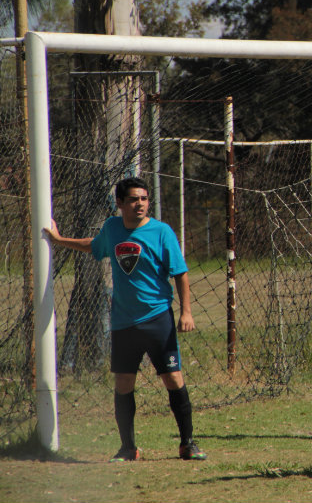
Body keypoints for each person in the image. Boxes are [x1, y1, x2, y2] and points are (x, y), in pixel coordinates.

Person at [43, 177, 207, 462]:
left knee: (173, 377)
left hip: (158, 318)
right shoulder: (112, 228)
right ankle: (127, 448)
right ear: (120, 203)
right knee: (123, 383)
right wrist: (59, 241)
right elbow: (94, 246)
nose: (140, 204)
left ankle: (188, 444)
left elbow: (180, 272)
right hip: (122, 323)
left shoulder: (162, 232)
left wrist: (187, 312)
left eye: (143, 198)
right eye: (133, 199)